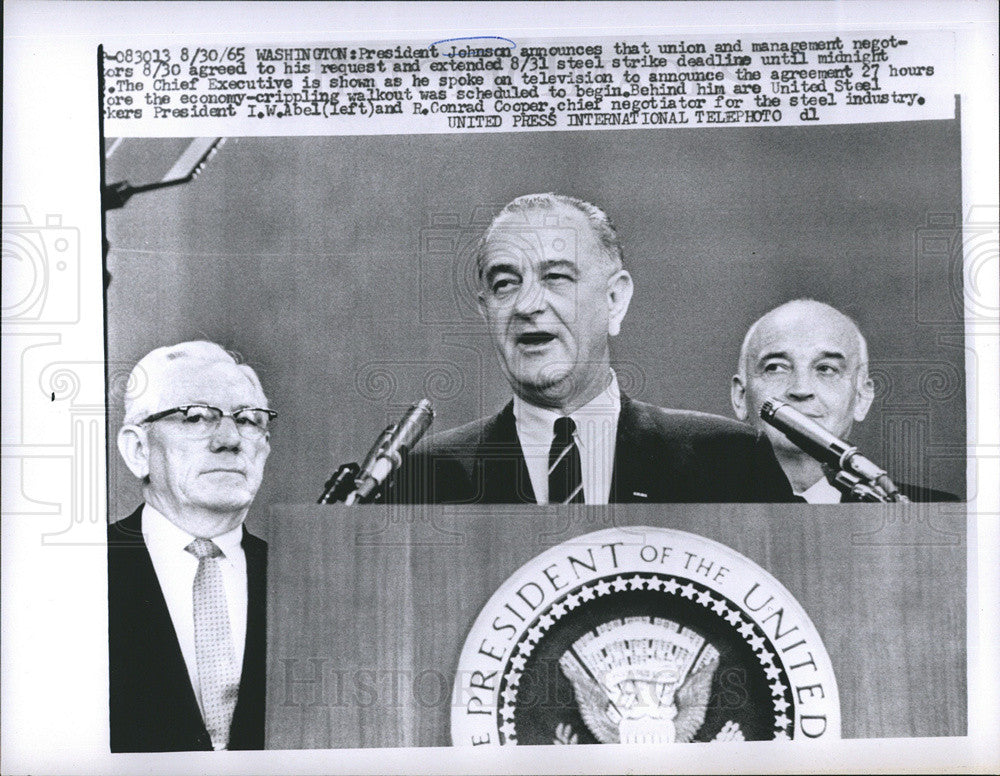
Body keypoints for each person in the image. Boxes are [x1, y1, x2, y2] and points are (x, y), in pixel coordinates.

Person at [394, 193, 793, 504]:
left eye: (556, 277)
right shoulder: (425, 475)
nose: (526, 304)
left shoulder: (728, 461)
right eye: (505, 283)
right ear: (486, 312)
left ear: (615, 300)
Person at [108, 341, 275, 751]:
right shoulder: (77, 572)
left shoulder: (300, 579)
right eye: (196, 417)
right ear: (138, 450)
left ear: (265, 448)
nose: (230, 438)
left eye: (250, 420)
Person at [731, 299, 958, 502]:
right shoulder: (698, 502)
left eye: (826, 369)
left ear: (861, 397)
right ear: (740, 396)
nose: (801, 390)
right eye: (776, 368)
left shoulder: (925, 511)